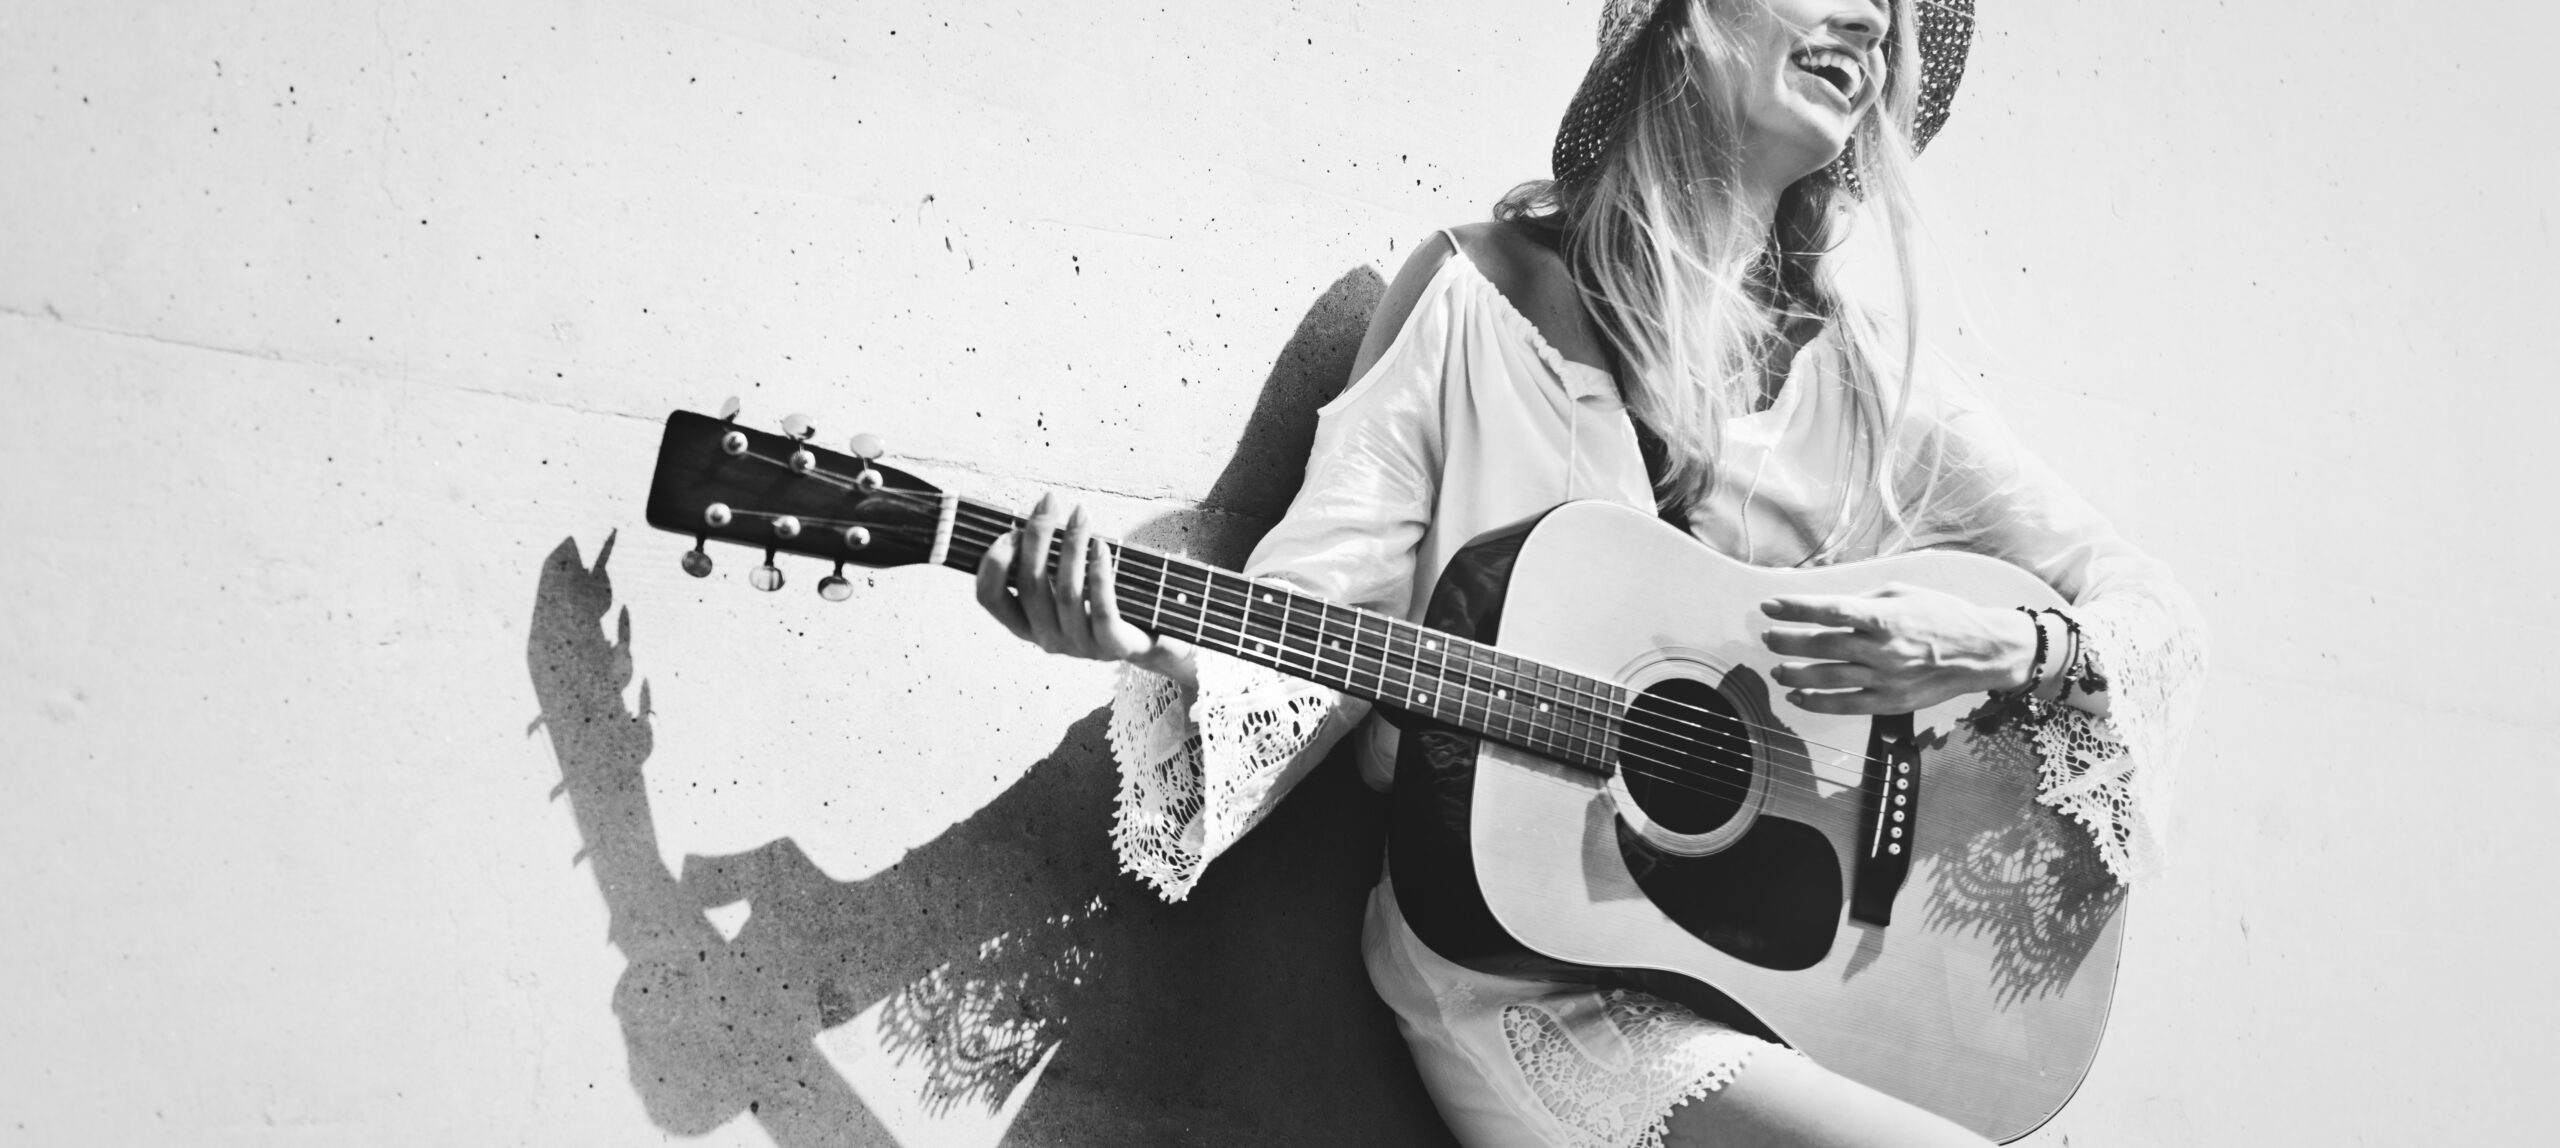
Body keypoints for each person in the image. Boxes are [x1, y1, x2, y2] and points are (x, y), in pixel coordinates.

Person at [973, 0, 2207, 1144]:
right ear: (1688, 17)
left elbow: (2148, 606)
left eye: (1890, 10)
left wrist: (2007, 644)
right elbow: (1315, 620)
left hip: (1795, 992)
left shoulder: (1873, 384)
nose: (1869, 22)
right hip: (1525, 974)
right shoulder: (1485, 300)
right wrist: (1151, 636)